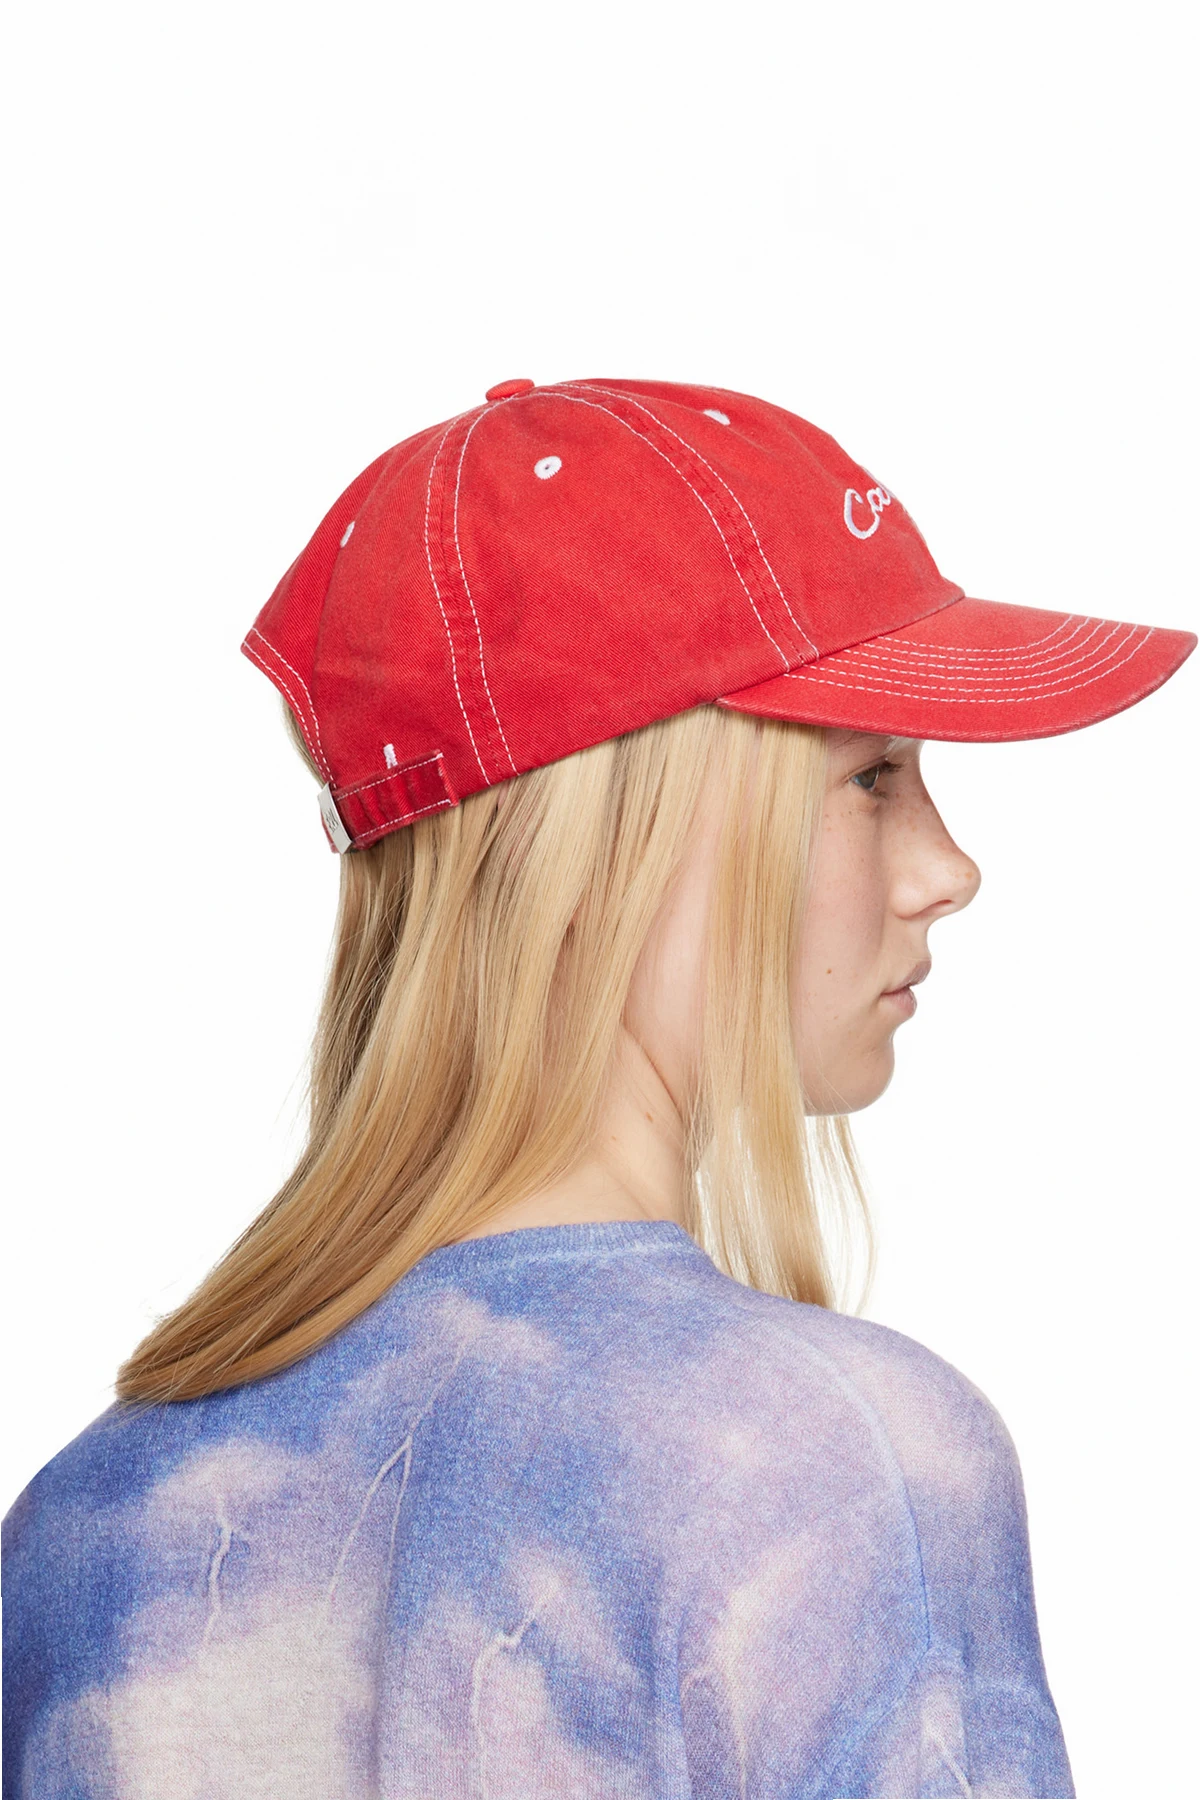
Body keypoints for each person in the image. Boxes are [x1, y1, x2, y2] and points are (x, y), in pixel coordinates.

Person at [3, 377, 1193, 1799]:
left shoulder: (78, 1528)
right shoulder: (823, 1464)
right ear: (607, 840)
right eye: (873, 778)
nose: (951, 869)